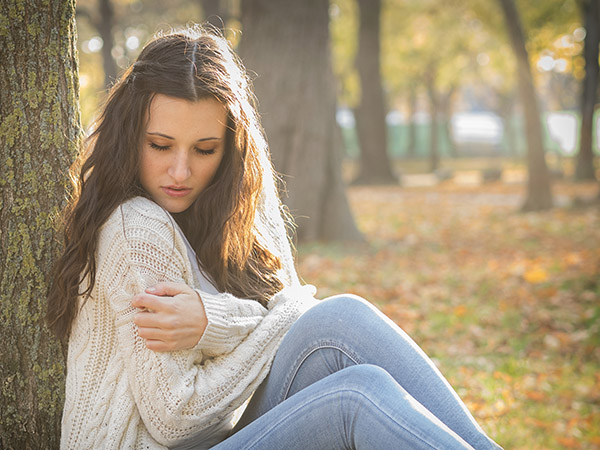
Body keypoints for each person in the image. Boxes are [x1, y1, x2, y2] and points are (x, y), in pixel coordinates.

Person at [47, 26, 502, 450]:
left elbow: (289, 317)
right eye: (160, 145)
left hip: (215, 436)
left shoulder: (219, 215)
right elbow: (176, 416)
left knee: (339, 321)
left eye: (205, 149)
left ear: (228, 150)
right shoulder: (136, 225)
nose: (181, 171)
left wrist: (223, 320)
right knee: (354, 394)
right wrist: (236, 321)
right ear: (129, 137)